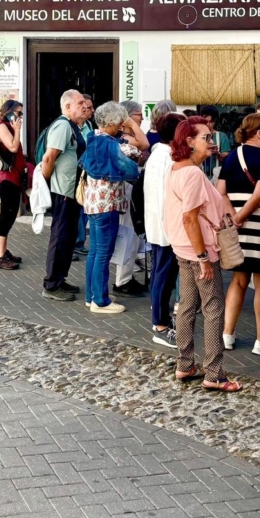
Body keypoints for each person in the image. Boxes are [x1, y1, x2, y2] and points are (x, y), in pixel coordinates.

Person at [163, 117, 241, 392]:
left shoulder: (178, 168)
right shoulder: (193, 174)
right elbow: (190, 218)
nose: (211, 141)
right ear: (189, 142)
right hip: (198, 250)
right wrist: (204, 257)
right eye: (206, 137)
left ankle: (185, 364)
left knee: (187, 306)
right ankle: (214, 373)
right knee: (213, 308)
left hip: (184, 247)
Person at [217, 113, 260, 355]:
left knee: (238, 280)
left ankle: (227, 335)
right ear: (259, 133)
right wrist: (242, 216)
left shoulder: (233, 156)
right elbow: (259, 195)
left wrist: (233, 217)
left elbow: (220, 191)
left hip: (237, 230)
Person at [80, 102, 141, 314]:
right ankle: (101, 301)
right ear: (112, 122)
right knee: (104, 253)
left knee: (95, 251)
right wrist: (132, 125)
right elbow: (136, 158)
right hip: (107, 204)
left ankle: (92, 295)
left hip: (93, 202)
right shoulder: (113, 145)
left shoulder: (93, 138)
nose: (122, 125)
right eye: (120, 121)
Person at [40, 89, 89, 301]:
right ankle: (51, 285)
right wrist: (46, 183)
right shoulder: (63, 126)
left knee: (68, 238)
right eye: (80, 103)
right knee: (60, 237)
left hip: (70, 191)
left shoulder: (73, 126)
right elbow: (49, 158)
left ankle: (60, 279)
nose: (84, 106)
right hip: (63, 192)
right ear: (67, 106)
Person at [144, 112, 185, 347]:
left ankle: (160, 320)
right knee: (164, 275)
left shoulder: (158, 154)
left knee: (161, 274)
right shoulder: (168, 157)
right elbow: (169, 196)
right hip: (167, 225)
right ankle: (160, 325)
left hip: (159, 223)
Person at [112, 100, 149, 297]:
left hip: (130, 188)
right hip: (127, 188)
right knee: (128, 232)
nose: (141, 118)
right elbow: (145, 144)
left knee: (133, 234)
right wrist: (131, 124)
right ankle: (122, 280)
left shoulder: (126, 136)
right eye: (138, 114)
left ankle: (126, 277)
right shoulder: (123, 137)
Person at [0, 100, 26, 271]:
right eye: (18, 113)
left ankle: (4, 251)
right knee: (6, 215)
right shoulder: (2, 126)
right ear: (9, 112)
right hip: (6, 179)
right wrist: (17, 130)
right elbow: (12, 147)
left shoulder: (7, 126)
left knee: (10, 215)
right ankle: (0, 256)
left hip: (13, 177)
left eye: (21, 114)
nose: (20, 117)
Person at [74, 95, 95, 257]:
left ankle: (79, 242)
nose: (91, 111)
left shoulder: (88, 125)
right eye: (88, 108)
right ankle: (75, 242)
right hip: (75, 173)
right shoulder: (72, 126)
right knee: (76, 209)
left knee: (84, 208)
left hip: (87, 172)